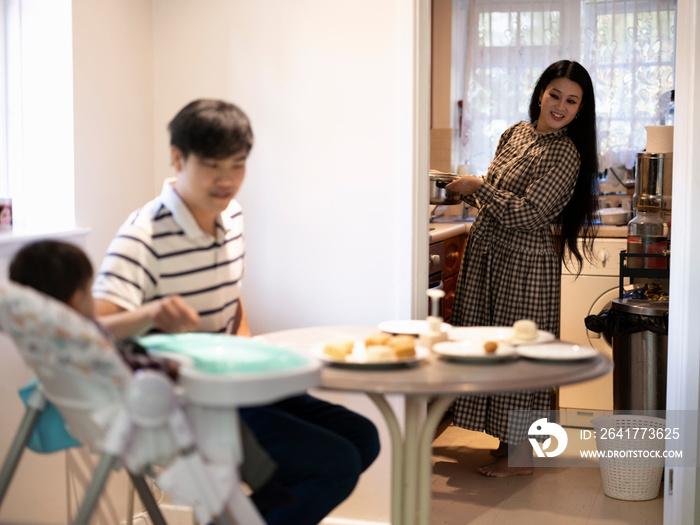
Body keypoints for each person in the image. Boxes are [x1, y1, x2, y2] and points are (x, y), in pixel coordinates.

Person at [91, 99, 380, 524]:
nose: (227, 181)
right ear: (177, 158)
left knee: (363, 438)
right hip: (187, 401)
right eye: (212, 166)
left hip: (234, 382)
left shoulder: (233, 216)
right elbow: (93, 328)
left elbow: (229, 297)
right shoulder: (144, 235)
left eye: (238, 166)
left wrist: (248, 353)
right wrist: (152, 314)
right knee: (333, 465)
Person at [8, 239, 287, 512]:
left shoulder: (51, 343)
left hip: (105, 426)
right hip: (149, 425)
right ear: (77, 297)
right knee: (224, 418)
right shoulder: (88, 338)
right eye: (89, 290)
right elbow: (134, 367)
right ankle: (266, 485)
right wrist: (169, 368)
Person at [445, 60, 599, 477]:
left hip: (524, 264)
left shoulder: (566, 153)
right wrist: (465, 189)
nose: (560, 106)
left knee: (520, 356)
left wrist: (480, 188)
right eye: (555, 95)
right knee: (490, 348)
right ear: (540, 92)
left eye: (572, 101)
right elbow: (496, 195)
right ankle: (506, 441)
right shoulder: (514, 133)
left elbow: (530, 213)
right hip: (487, 254)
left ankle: (524, 456)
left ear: (581, 108)